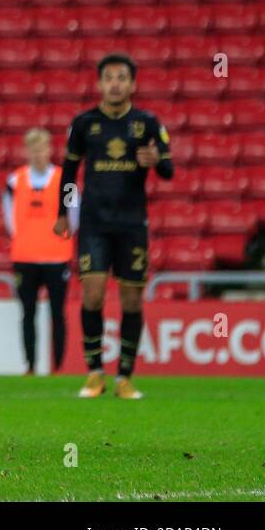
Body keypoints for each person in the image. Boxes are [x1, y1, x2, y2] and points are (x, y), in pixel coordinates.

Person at [57, 53, 173, 399]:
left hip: (132, 223)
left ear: (133, 84)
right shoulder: (83, 124)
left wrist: (156, 162)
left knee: (132, 300)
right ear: (100, 84)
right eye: (109, 78)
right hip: (94, 221)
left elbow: (169, 171)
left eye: (122, 78)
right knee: (92, 292)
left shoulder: (148, 124)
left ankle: (124, 376)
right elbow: (68, 172)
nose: (115, 84)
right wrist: (63, 212)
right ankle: (95, 372)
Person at [3, 127, 74, 375]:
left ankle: (58, 366)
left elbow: (75, 213)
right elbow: (8, 214)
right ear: (27, 152)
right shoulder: (15, 180)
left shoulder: (65, 180)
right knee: (28, 313)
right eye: (33, 150)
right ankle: (30, 366)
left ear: (50, 149)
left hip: (57, 255)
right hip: (25, 256)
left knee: (58, 313)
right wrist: (21, 237)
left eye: (42, 149)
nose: (38, 154)